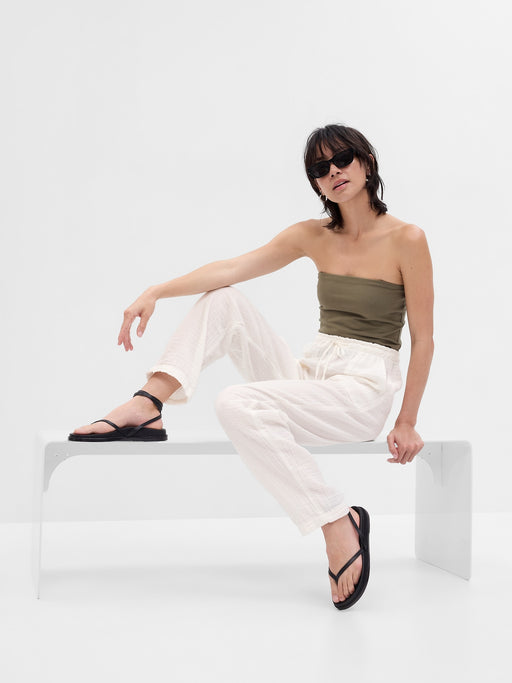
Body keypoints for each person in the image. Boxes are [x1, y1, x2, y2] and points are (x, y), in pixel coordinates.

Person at [70, 123, 434, 610]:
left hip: (362, 391)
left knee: (236, 403)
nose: (333, 171)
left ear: (366, 161)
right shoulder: (313, 236)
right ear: (316, 183)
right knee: (225, 300)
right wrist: (156, 290)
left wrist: (406, 420)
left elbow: (424, 339)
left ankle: (335, 520)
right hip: (313, 374)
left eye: (342, 158)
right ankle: (149, 401)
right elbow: (230, 269)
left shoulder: (407, 239)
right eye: (320, 168)